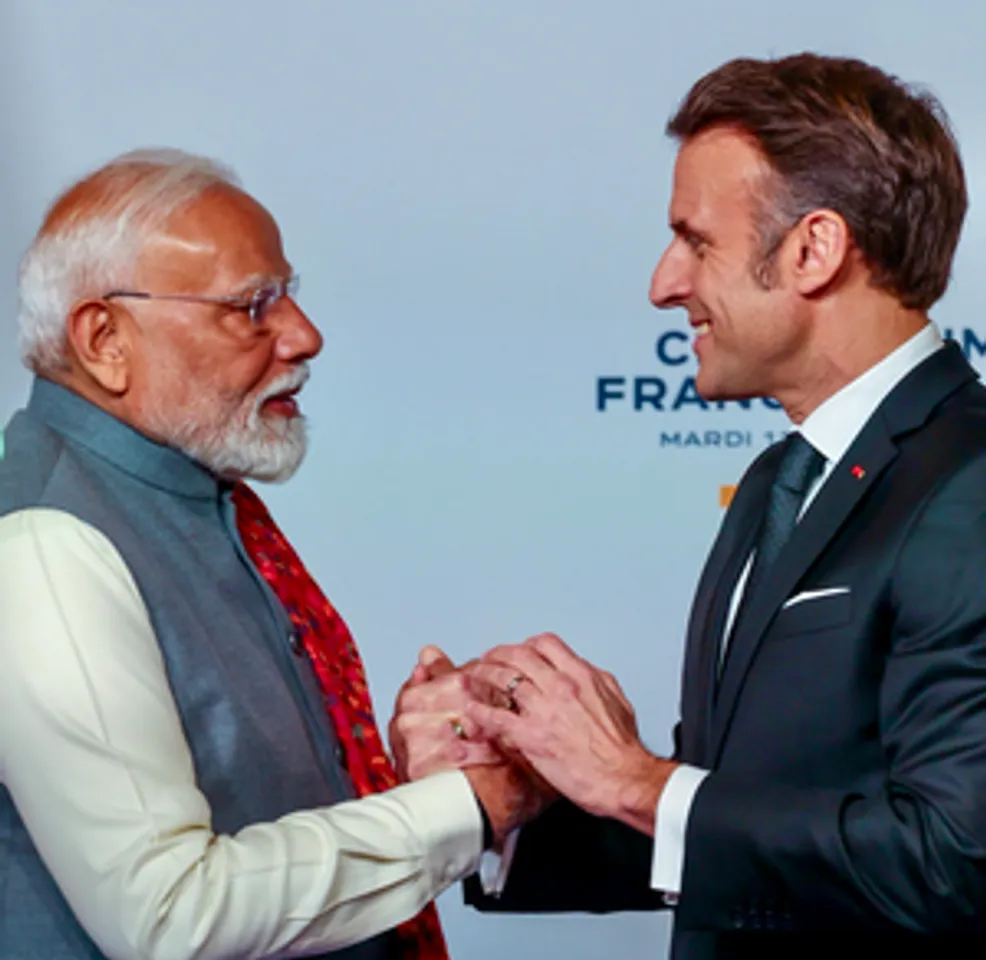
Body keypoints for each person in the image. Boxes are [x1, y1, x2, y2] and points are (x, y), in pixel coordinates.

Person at [392, 53, 986, 957]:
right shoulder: (779, 481)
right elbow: (721, 821)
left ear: (813, 250)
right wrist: (502, 804)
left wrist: (633, 780)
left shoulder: (970, 480)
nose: (663, 283)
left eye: (696, 241)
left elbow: (953, 862)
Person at [0, 149, 523, 960]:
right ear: (105, 339)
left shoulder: (192, 495)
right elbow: (172, 913)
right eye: (252, 307)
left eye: (289, 297)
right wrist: (469, 805)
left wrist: (418, 773)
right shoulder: (47, 544)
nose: (304, 336)